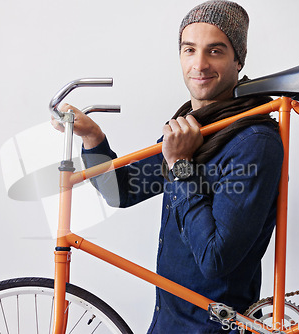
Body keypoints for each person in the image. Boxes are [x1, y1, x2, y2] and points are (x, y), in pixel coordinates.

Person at [51, 1, 284, 332]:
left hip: (211, 327)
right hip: (167, 322)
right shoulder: (192, 127)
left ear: (238, 59)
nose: (199, 64)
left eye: (215, 51)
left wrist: (181, 166)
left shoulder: (254, 143)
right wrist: (93, 138)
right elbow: (122, 191)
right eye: (189, 50)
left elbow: (215, 258)